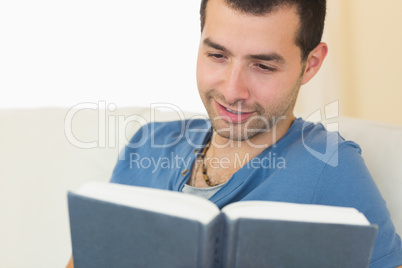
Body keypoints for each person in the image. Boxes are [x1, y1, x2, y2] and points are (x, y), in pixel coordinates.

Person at [67, 0, 402, 267]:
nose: (232, 90)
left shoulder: (330, 167)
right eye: (217, 55)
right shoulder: (146, 146)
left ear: (311, 64)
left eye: (263, 66)